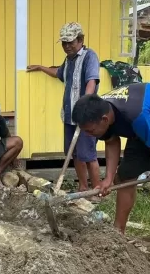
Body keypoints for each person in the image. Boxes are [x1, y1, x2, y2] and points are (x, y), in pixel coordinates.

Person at [71, 84, 150, 273]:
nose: (89, 135)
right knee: (125, 177)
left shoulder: (136, 114)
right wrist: (108, 178)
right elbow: (112, 141)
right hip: (147, 128)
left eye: (90, 131)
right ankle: (117, 234)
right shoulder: (102, 109)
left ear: (104, 119)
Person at [27, 22, 101, 192]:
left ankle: (97, 190)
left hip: (86, 116)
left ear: (80, 39)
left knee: (88, 154)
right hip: (69, 115)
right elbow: (58, 73)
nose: (67, 46)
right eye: (64, 43)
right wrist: (40, 67)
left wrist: (86, 104)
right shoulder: (69, 60)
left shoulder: (90, 56)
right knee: (73, 153)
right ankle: (83, 187)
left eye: (71, 42)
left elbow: (91, 81)